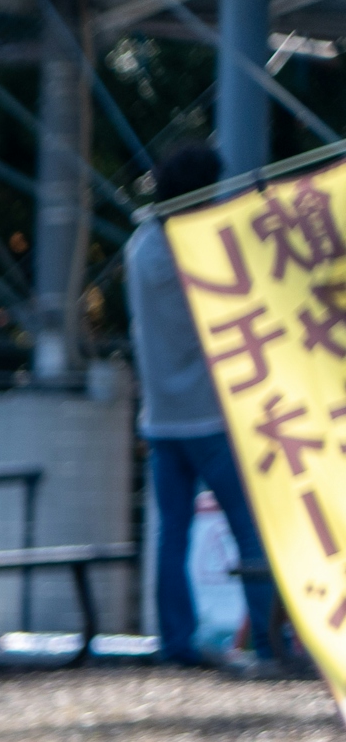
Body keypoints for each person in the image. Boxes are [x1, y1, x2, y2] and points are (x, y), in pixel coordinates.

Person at [125, 140, 289, 674]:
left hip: (159, 416)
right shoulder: (199, 247)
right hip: (210, 416)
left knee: (172, 534)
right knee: (250, 530)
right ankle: (270, 643)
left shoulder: (140, 246)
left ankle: (177, 642)